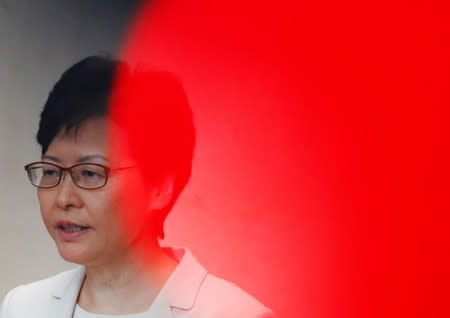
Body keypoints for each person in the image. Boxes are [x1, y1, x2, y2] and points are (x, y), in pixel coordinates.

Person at [0, 56, 275, 318]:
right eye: (51, 171)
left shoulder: (232, 313)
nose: (64, 198)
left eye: (90, 173)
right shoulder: (23, 307)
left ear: (158, 187)